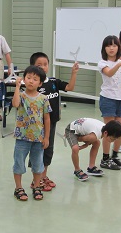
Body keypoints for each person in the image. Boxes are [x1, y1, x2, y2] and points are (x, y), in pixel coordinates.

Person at [29, 52, 79, 190]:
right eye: (39, 65)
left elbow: (70, 87)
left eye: (45, 64)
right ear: (32, 67)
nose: (43, 67)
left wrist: (74, 73)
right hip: (38, 125)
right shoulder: (33, 85)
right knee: (38, 151)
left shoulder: (53, 82)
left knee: (48, 150)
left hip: (52, 122)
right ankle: (36, 180)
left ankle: (43, 176)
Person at [12, 65, 52, 201]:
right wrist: (17, 87)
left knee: (37, 164)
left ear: (40, 83)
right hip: (22, 137)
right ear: (24, 79)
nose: (31, 81)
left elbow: (47, 119)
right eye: (28, 78)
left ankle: (36, 186)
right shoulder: (21, 96)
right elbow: (15, 104)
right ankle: (18, 188)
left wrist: (46, 137)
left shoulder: (43, 99)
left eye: (35, 79)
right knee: (19, 163)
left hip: (38, 138)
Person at [98, 35, 121, 170]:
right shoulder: (102, 63)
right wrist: (119, 63)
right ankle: (105, 159)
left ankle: (114, 156)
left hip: (119, 100)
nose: (111, 48)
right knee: (108, 131)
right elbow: (110, 73)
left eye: (114, 45)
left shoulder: (120, 62)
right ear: (104, 48)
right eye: (108, 45)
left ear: (118, 48)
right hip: (107, 99)